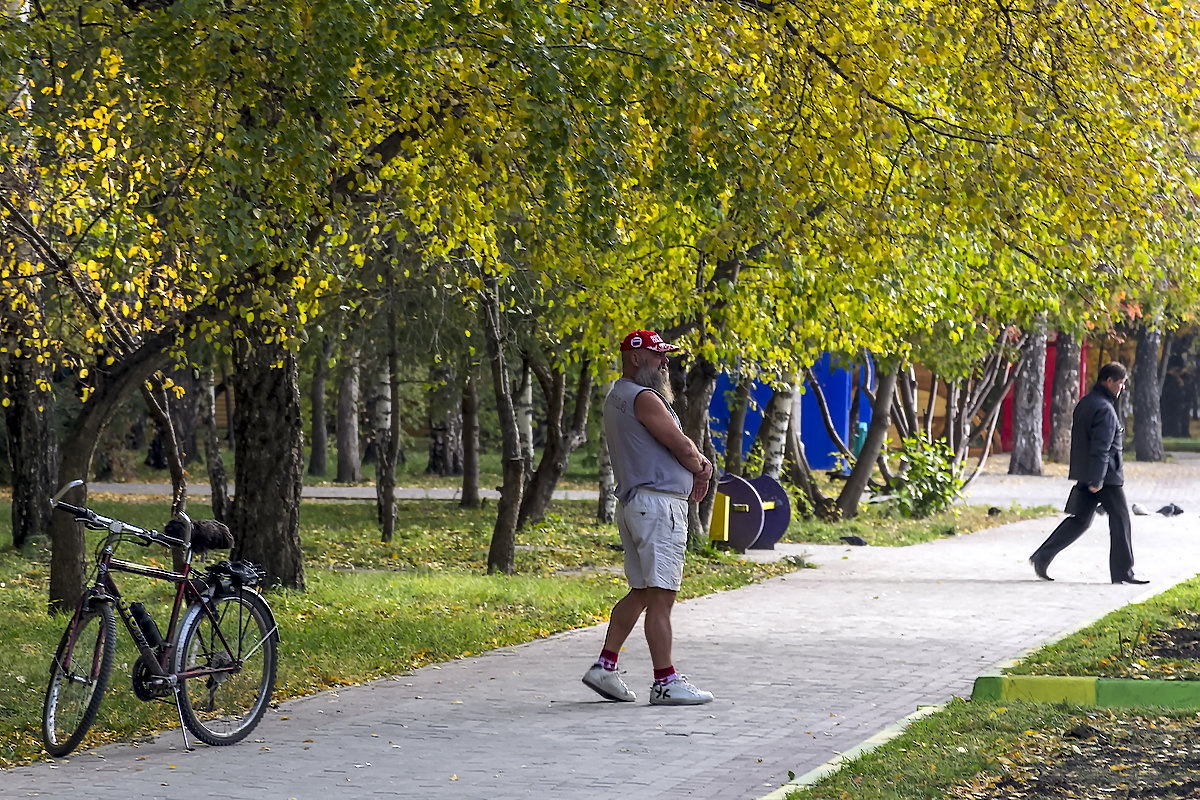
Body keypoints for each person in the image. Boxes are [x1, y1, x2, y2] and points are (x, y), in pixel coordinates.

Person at [582, 329, 716, 705]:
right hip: (658, 508)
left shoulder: (617, 397)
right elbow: (681, 445)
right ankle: (665, 682)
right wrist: (702, 469)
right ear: (636, 358)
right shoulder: (644, 397)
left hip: (636, 504)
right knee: (661, 598)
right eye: (658, 356)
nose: (665, 362)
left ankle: (605, 667)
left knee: (641, 591)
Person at [1029, 361, 1148, 585]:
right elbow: (1101, 447)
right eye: (1120, 383)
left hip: (1087, 473)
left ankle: (1042, 556)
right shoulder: (1104, 409)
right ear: (1109, 381)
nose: (1121, 388)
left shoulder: (1087, 402)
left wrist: (1090, 476)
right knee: (1121, 519)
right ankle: (1124, 571)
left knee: (1080, 520)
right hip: (1105, 477)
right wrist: (1097, 479)